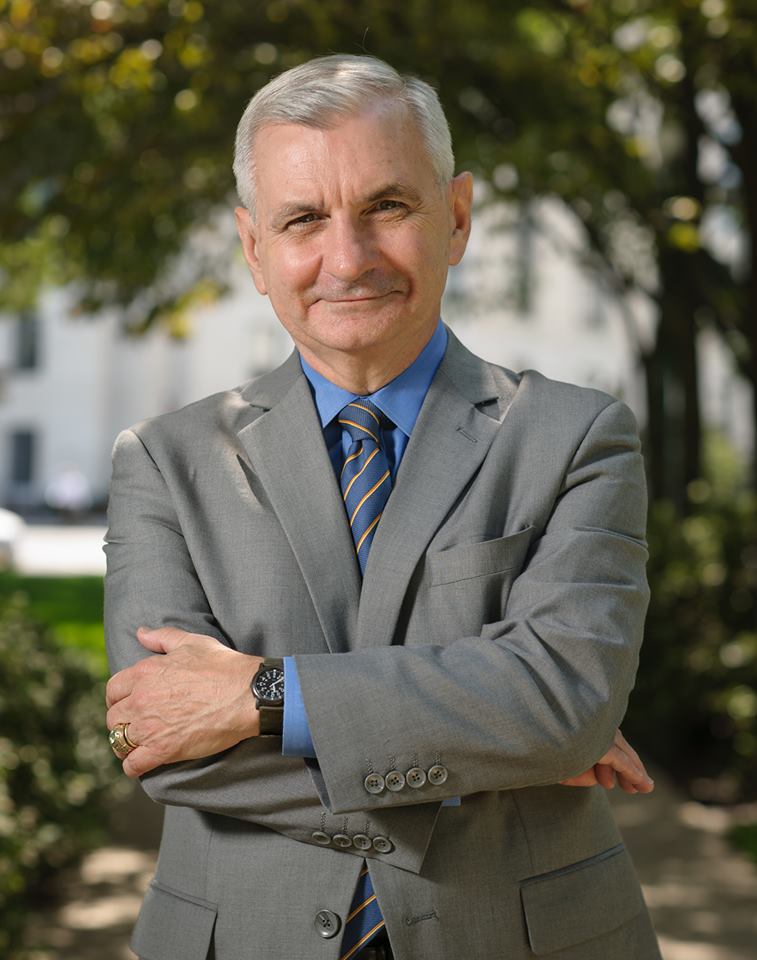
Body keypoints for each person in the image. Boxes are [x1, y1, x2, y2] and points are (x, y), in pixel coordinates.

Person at [104, 54, 662, 960]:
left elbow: (566, 698)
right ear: (254, 249)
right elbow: (158, 736)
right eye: (303, 220)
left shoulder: (575, 435)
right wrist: (497, 746)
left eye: (387, 207)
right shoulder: (165, 464)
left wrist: (263, 694)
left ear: (457, 217)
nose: (347, 258)